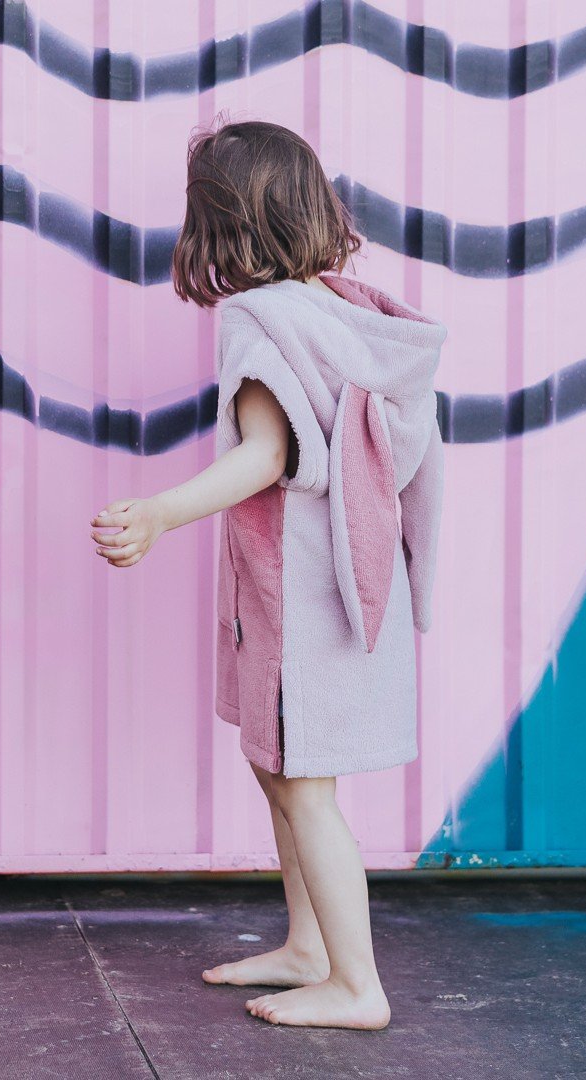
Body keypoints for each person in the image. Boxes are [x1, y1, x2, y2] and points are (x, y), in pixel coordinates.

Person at [88, 115, 447, 1030]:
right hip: (347, 585)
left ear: (218, 228)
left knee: (303, 787)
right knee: (279, 767)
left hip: (298, 591)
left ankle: (357, 985)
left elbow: (268, 450)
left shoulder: (259, 317)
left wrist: (162, 511)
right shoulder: (344, 310)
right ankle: (309, 947)